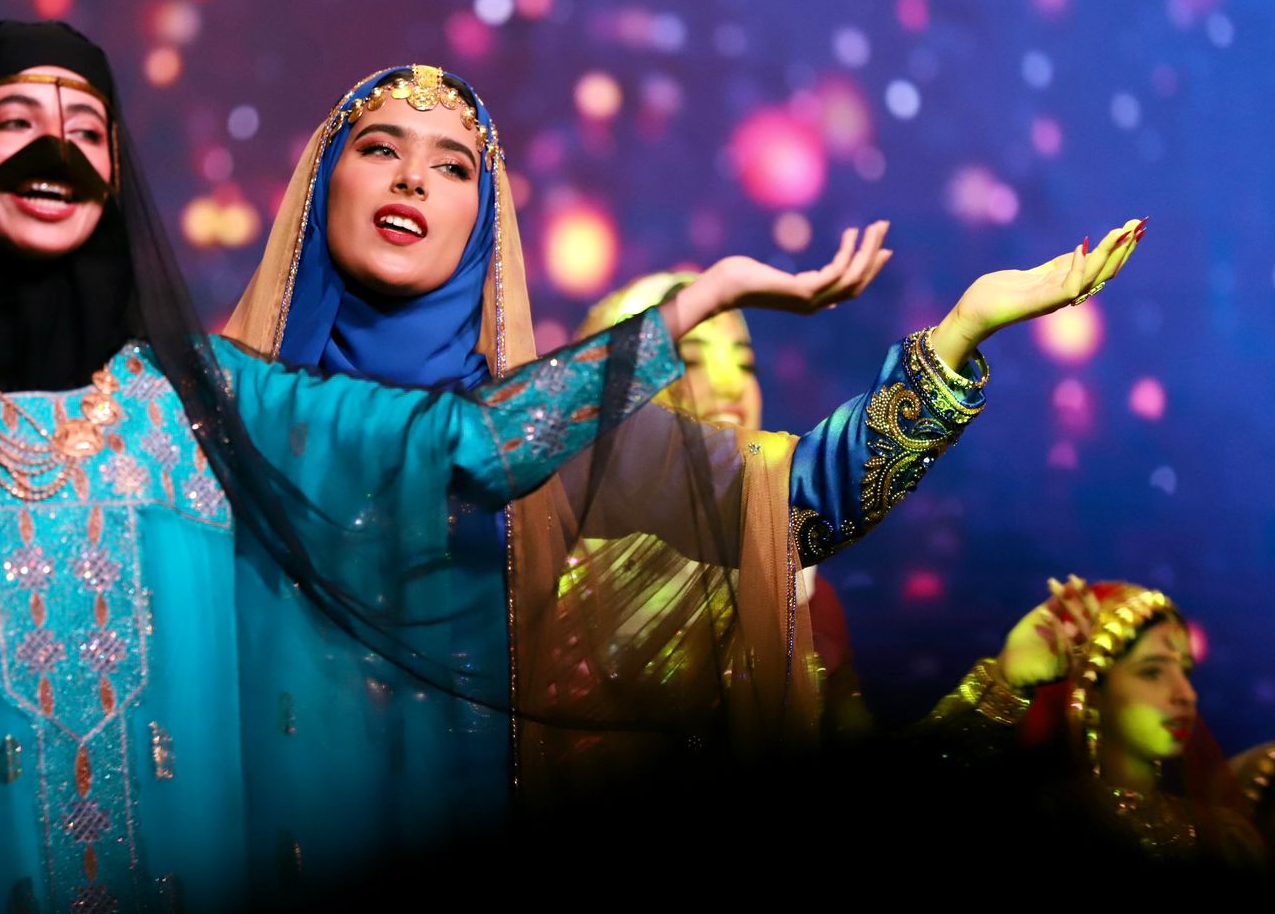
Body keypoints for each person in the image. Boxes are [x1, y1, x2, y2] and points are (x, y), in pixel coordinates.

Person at [0, 23, 902, 912]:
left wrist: (700, 303)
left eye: (87, 128)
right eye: (14, 120)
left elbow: (474, 446)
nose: (55, 150)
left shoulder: (196, 398)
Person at [222, 62, 1142, 872]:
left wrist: (960, 334)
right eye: (380, 148)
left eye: (456, 165)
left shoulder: (557, 434)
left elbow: (803, 502)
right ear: (324, 181)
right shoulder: (212, 408)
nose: (413, 177)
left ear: (484, 221)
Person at [576, 271, 876, 741]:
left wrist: (994, 693)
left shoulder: (803, 593)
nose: (730, 385)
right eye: (691, 360)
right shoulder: (553, 582)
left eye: (746, 364)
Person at [918, 577, 1265, 871]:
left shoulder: (1225, 841)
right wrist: (1005, 679)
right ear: (1093, 692)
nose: (1186, 694)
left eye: (1185, 671)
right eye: (1152, 672)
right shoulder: (1031, 821)